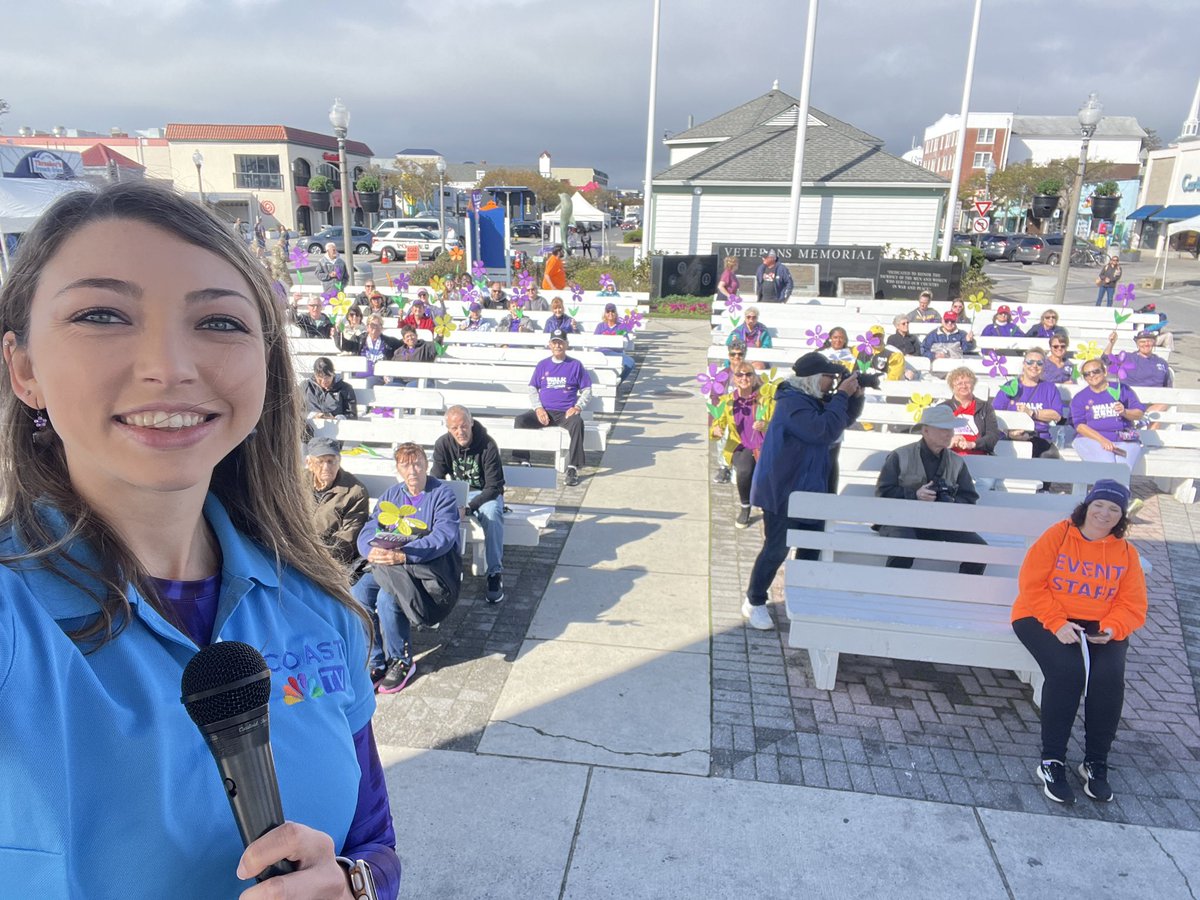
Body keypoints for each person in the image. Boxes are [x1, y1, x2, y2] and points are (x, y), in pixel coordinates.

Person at [0, 182, 398, 897]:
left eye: (218, 322)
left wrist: (354, 882)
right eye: (101, 315)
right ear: (24, 368)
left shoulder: (320, 605)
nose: (170, 367)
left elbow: (372, 840)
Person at [1011, 480, 1147, 804]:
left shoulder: (1126, 552)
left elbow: (1133, 605)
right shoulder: (1058, 535)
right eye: (1099, 505)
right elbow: (1032, 584)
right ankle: (1052, 760)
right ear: (1087, 505)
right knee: (1068, 671)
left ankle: (1095, 762)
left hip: (1100, 625)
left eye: (1114, 509)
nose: (1104, 513)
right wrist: (1056, 623)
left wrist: (1113, 629)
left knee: (1109, 677)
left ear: (1122, 517)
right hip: (1040, 616)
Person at [742, 352, 863, 630]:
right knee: (777, 548)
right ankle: (755, 601)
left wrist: (854, 395)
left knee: (811, 547)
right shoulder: (791, 404)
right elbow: (823, 431)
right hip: (783, 489)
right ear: (812, 379)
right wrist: (842, 395)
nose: (832, 382)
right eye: (828, 377)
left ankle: (800, 600)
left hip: (812, 488)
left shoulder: (813, 401)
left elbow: (841, 420)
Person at [353, 444, 461, 694]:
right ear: (398, 469)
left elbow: (444, 536)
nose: (412, 470)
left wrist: (404, 553)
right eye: (405, 464)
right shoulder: (392, 495)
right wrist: (369, 550)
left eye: (417, 463)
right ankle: (376, 662)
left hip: (423, 566)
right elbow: (371, 527)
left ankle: (401, 660)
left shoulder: (441, 494)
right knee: (358, 594)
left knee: (388, 597)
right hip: (389, 565)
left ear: (426, 464)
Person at [875, 405, 988, 574]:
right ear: (925, 431)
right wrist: (915, 495)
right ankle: (891, 590)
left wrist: (950, 502)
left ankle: (963, 595)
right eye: (943, 428)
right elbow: (883, 493)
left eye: (951, 428)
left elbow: (969, 497)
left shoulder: (956, 461)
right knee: (904, 546)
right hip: (900, 521)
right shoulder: (900, 455)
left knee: (980, 551)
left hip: (941, 522)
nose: (949, 433)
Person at [431, 406, 506, 604]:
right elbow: (436, 479)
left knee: (493, 514)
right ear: (448, 429)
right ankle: (441, 572)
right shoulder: (443, 444)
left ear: (471, 422)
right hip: (458, 492)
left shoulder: (488, 445)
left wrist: (470, 507)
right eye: (454, 428)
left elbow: (495, 486)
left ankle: (494, 574)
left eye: (463, 426)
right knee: (435, 514)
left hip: (486, 494)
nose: (460, 432)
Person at [514, 329, 591, 487]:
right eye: (555, 342)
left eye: (561, 342)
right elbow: (532, 388)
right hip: (545, 412)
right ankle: (523, 461)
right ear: (550, 345)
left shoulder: (575, 365)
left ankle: (572, 468)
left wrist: (578, 406)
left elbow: (587, 390)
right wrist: (538, 408)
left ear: (566, 345)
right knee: (520, 420)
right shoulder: (543, 365)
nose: (558, 345)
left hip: (565, 413)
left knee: (577, 423)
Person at [711, 363, 777, 528]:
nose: (744, 378)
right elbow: (717, 424)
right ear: (734, 379)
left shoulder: (765, 400)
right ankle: (745, 506)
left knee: (768, 469)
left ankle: (766, 503)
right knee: (745, 469)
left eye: (748, 374)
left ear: (754, 378)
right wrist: (716, 430)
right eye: (739, 375)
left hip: (763, 443)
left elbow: (778, 424)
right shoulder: (727, 402)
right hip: (740, 445)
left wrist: (765, 424)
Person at [305, 437, 369, 568]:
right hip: (292, 551)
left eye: (331, 461)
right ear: (309, 463)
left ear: (339, 462)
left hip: (327, 560)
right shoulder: (294, 482)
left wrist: (318, 557)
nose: (326, 467)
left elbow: (349, 536)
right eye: (320, 461)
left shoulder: (354, 491)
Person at [1071, 360, 1145, 470]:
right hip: (1091, 439)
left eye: (1096, 371)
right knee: (1108, 467)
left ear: (1104, 372)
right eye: (1087, 374)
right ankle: (1109, 487)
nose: (1091, 375)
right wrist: (1102, 440)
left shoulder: (1122, 390)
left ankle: (1112, 487)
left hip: (1124, 440)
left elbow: (1139, 413)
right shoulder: (1080, 397)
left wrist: (1125, 412)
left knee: (1122, 470)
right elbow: (1079, 426)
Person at [992, 349, 1064, 460]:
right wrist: (1010, 432)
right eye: (1030, 362)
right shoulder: (1010, 386)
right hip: (1010, 436)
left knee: (1050, 458)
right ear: (1024, 364)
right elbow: (995, 415)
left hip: (1038, 436)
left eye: (1039, 363)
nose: (1034, 366)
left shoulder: (1049, 388)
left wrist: (1032, 413)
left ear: (1043, 366)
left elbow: (1057, 415)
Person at [938, 367, 1000, 455]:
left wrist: (973, 444)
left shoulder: (985, 407)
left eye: (967, 382)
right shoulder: (943, 408)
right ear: (953, 387)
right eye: (959, 383)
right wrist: (949, 442)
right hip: (949, 457)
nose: (963, 386)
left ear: (973, 385)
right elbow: (932, 435)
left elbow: (993, 436)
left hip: (979, 456)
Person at [1102, 329, 1173, 389]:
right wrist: (1111, 343)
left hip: (1157, 399)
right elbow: (1105, 359)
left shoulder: (1162, 362)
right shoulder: (1126, 358)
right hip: (1131, 399)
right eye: (1142, 342)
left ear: (1154, 343)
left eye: (1149, 341)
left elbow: (1168, 387)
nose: (1146, 344)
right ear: (1137, 344)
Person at [593, 302, 634, 381]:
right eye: (608, 311)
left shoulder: (621, 326)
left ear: (616, 313)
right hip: (602, 351)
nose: (610, 313)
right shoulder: (600, 326)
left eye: (613, 311)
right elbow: (595, 341)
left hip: (616, 352)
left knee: (630, 363)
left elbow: (625, 341)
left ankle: (619, 380)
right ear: (605, 313)